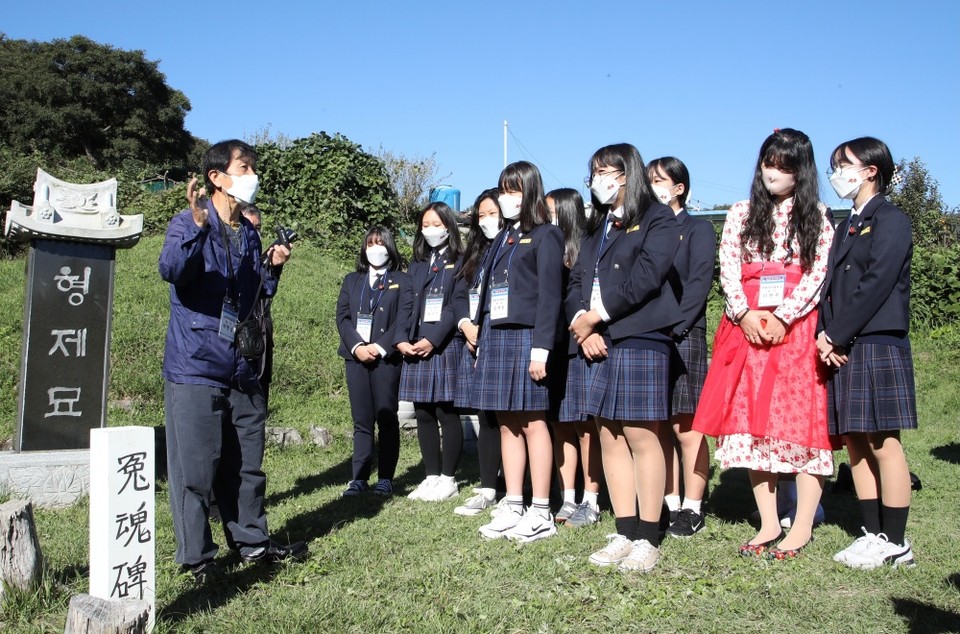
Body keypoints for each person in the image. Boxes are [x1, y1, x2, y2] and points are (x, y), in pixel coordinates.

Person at [159, 139, 306, 582]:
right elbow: (171, 270)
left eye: (252, 168)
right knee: (196, 470)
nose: (251, 175)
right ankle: (197, 559)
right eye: (243, 167)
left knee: (246, 466)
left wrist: (273, 267)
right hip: (196, 365)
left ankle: (253, 544)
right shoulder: (187, 222)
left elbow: (254, 296)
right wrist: (200, 228)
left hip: (242, 367)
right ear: (216, 177)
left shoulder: (249, 231)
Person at [693, 128, 834, 560]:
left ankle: (803, 524)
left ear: (801, 170)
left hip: (795, 329)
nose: (774, 171)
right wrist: (744, 313)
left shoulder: (819, 216)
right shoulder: (741, 212)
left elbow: (818, 273)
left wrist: (784, 315)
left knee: (801, 424)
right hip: (747, 326)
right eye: (769, 162)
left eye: (785, 165)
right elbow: (729, 267)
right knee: (753, 421)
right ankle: (769, 520)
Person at [568, 143, 680, 572]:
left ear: (628, 174)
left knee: (640, 434)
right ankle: (626, 528)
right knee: (608, 434)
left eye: (607, 171)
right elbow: (576, 279)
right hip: (598, 339)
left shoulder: (657, 218)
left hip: (641, 336)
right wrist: (582, 319)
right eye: (593, 171)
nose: (599, 179)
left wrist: (597, 316)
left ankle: (649, 537)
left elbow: (647, 278)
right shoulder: (599, 229)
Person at [818, 137, 917, 569]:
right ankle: (873, 532)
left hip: (876, 340)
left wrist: (836, 334)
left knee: (883, 442)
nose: (837, 173)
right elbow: (830, 289)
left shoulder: (891, 219)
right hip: (844, 345)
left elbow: (875, 284)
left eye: (844, 164)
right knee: (856, 443)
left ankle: (896, 541)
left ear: (871, 170)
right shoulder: (847, 224)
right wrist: (823, 334)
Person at [474, 161, 564, 543]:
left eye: (514, 190)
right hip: (497, 335)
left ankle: (541, 508)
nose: (506, 198)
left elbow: (550, 296)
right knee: (507, 420)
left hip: (528, 337)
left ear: (530, 192)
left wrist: (541, 347)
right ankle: (513, 502)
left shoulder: (546, 236)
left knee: (532, 420)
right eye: (502, 189)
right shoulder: (502, 238)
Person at [647, 157, 715, 538]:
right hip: (647, 339)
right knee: (657, 424)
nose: (654, 185)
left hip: (682, 334)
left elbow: (698, 284)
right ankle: (669, 502)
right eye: (650, 180)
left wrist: (675, 328)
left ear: (680, 188)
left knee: (686, 425)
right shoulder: (645, 229)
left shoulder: (698, 229)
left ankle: (693, 506)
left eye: (661, 180)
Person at [336, 227, 413, 498]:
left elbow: (404, 318)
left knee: (386, 417)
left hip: (386, 359)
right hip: (355, 358)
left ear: (389, 247)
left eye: (380, 243)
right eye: (370, 243)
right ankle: (358, 477)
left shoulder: (402, 280)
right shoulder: (351, 280)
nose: (374, 248)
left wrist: (379, 348)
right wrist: (357, 347)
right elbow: (342, 318)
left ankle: (386, 478)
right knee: (362, 420)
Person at [400, 202, 467, 502]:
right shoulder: (417, 264)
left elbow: (457, 305)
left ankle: (449, 478)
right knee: (423, 412)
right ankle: (430, 476)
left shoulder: (461, 261)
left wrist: (434, 339)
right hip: (415, 345)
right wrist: (402, 339)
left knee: (445, 411)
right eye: (425, 224)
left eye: (435, 223)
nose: (430, 230)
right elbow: (406, 305)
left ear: (448, 227)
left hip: (443, 344)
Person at [546, 188, 602, 528]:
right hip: (552, 347)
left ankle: (591, 499)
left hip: (579, 343)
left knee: (585, 426)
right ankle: (567, 497)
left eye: (550, 211)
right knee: (560, 425)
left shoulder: (588, 247)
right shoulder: (545, 246)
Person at [453, 189, 504, 516]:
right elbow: (459, 294)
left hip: (505, 340)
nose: (486, 221)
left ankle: (518, 486)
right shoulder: (474, 252)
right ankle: (488, 485)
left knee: (513, 419)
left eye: (492, 213)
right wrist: (465, 325)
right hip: (475, 342)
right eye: (481, 215)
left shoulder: (518, 246)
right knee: (486, 416)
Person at [238, 203, 275, 407]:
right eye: (250, 227)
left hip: (261, 339)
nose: (255, 233)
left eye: (258, 228)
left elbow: (267, 291)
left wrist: (274, 267)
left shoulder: (263, 261)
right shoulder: (230, 258)